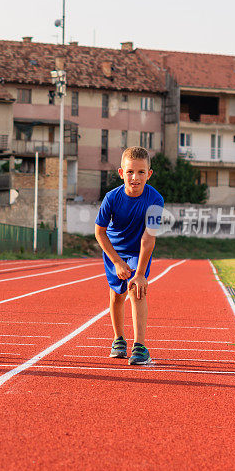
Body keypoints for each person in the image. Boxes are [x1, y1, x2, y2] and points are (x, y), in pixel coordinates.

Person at [94, 147, 164, 365]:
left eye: (141, 172)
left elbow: (148, 238)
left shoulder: (156, 200)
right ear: (121, 172)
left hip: (138, 250)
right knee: (116, 296)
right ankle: (118, 339)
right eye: (131, 171)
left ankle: (140, 346)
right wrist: (116, 262)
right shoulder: (111, 198)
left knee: (137, 290)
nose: (135, 177)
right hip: (115, 251)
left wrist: (140, 273)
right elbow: (99, 232)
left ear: (149, 174)